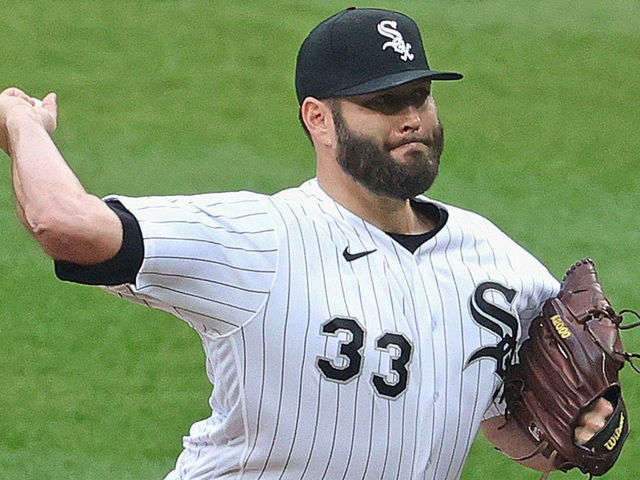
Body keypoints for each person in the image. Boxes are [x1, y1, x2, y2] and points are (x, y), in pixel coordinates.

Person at [0, 7, 615, 480]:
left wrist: (588, 428)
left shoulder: (496, 262)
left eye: (418, 96)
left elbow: (524, 431)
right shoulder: (262, 240)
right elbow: (63, 223)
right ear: (319, 118)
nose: (411, 118)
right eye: (382, 102)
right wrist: (23, 124)